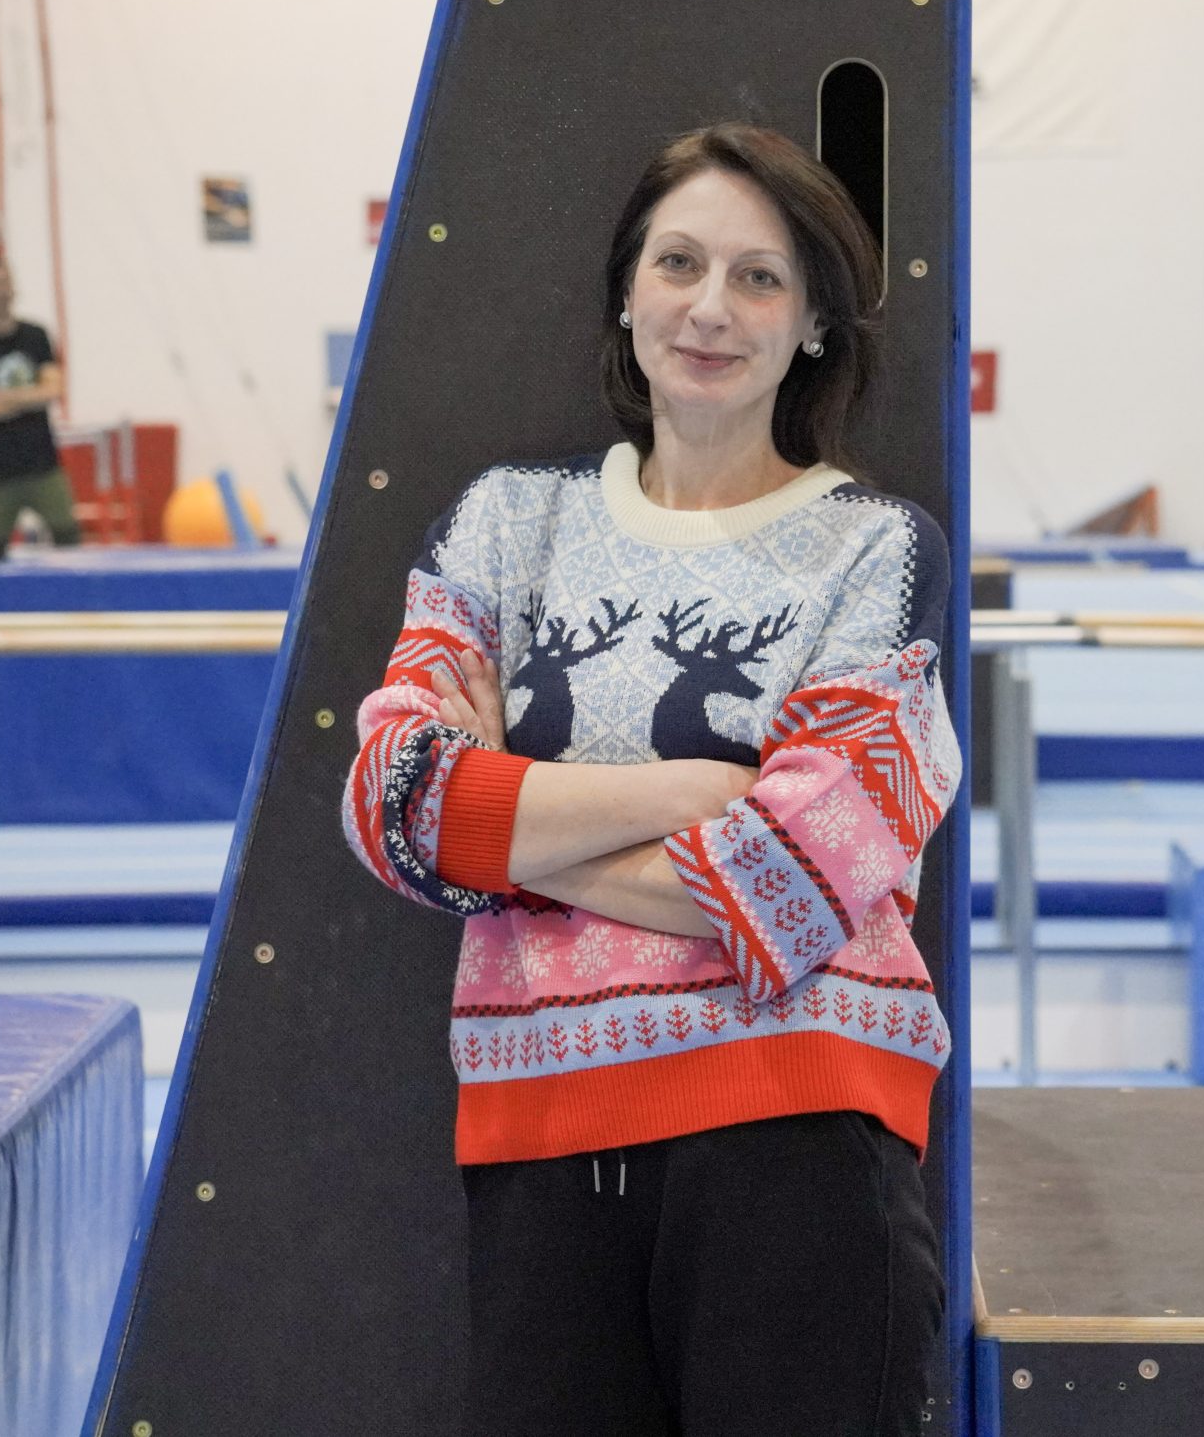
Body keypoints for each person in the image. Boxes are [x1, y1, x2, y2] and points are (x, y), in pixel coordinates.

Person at [341, 124, 959, 1437]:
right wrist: (696, 789)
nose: (711, 307)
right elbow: (396, 805)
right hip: (541, 1131)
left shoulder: (875, 552)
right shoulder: (509, 520)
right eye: (679, 262)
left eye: (760, 277)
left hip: (800, 1125)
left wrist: (508, 832)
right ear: (627, 294)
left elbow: (796, 879)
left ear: (811, 329)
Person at [0, 255, 81, 562]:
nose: (1, 290)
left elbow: (54, 389)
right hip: (0, 467)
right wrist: (31, 395)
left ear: (13, 286)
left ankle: (73, 604)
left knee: (67, 533)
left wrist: (3, 396)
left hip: (42, 459)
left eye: (5, 282)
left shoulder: (36, 336)